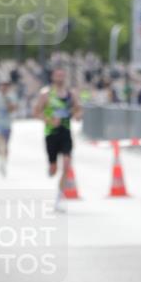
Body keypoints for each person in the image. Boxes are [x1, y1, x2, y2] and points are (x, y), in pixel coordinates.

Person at [33, 65, 82, 212]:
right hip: (51, 133)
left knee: (67, 164)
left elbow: (78, 108)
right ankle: (51, 166)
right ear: (53, 77)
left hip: (66, 132)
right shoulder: (46, 94)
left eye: (62, 75)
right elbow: (36, 112)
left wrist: (78, 115)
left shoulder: (70, 94)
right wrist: (48, 120)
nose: (60, 78)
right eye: (57, 75)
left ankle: (60, 197)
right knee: (54, 169)